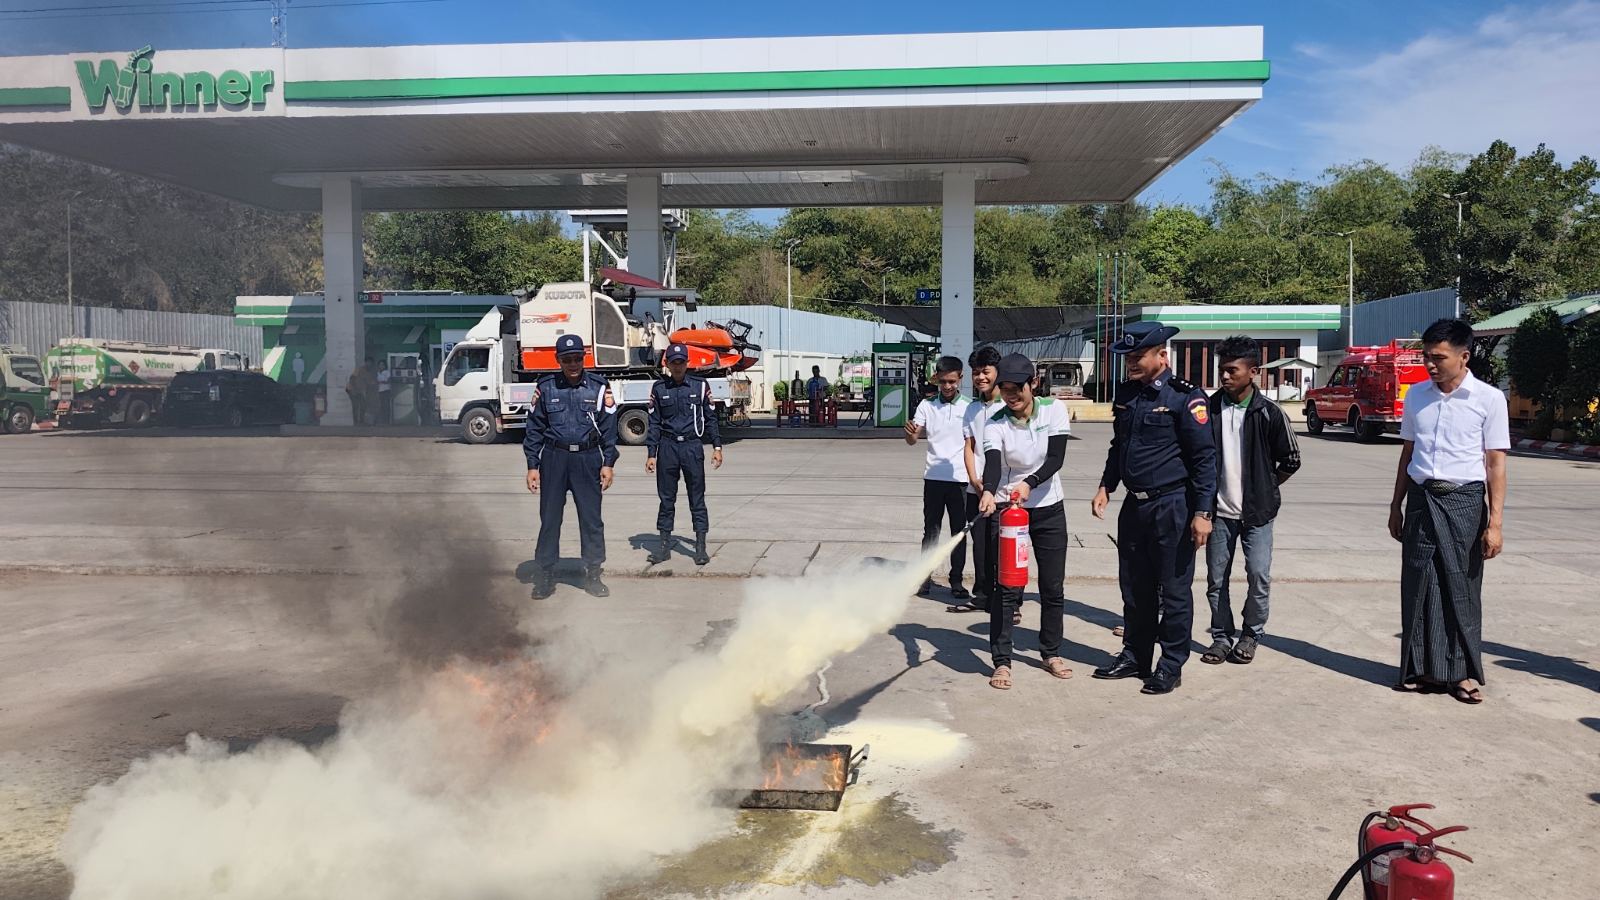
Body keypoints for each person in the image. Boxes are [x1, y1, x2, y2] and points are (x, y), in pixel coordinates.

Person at [1091, 321, 1217, 696]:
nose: (1131, 363)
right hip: (1135, 506)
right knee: (1135, 588)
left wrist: (1203, 513)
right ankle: (1135, 656)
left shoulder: (1186, 397)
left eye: (1138, 356)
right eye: (1128, 357)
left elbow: (1204, 459)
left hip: (1173, 506)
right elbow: (1119, 445)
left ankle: (1170, 665)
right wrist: (1106, 485)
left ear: (1162, 355)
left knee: (1174, 592)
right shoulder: (1128, 393)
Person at [1388, 318, 1508, 705]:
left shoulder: (1489, 399)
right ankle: (1420, 669)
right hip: (1421, 499)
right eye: (1426, 356)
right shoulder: (1416, 396)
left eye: (1438, 357)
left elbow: (1495, 464)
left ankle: (1462, 674)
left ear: (1464, 357)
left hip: (1464, 502)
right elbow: (1408, 453)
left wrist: (1495, 523)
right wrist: (1395, 506)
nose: (1430, 364)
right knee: (1419, 584)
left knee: (1461, 586)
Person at [1201, 336, 1302, 667]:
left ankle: (1251, 635)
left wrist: (1265, 487)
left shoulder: (1269, 413)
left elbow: (1291, 460)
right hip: (1218, 514)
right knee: (1217, 580)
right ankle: (1221, 637)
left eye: (1232, 370)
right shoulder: (1209, 410)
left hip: (1258, 515)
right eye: (1222, 370)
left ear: (1253, 371)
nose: (1225, 376)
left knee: (1258, 575)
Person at [977, 352, 1072, 690]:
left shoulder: (1053, 410)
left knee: (1052, 586)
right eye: (1004, 389)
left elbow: (1056, 458)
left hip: (1048, 507)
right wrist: (989, 492)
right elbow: (992, 463)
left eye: (1017, 388)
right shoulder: (995, 422)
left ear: (1033, 383)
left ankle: (1051, 652)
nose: (1011, 395)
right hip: (1009, 511)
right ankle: (1002, 661)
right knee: (1006, 587)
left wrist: (1030, 483)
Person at [524, 334, 619, 600]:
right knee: (550, 518)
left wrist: (608, 463)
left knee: (591, 519)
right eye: (567, 359)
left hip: (587, 459)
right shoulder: (546, 387)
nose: (573, 364)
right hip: (554, 459)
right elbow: (534, 429)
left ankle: (593, 573)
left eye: (577, 358)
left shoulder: (598, 387)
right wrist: (532, 465)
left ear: (584, 358)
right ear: (558, 360)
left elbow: (609, 429)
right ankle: (546, 574)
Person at [645, 342, 724, 567]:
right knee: (666, 499)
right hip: (668, 447)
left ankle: (700, 547)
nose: (678, 366)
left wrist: (717, 447)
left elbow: (710, 418)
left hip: (692, 447)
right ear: (667, 364)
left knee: (697, 498)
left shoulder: (700, 386)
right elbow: (654, 423)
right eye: (674, 362)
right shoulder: (659, 388)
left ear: (687, 363)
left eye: (681, 362)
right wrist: (651, 453)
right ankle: (663, 547)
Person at [905, 356, 972, 599]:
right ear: (936, 379)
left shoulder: (970, 407)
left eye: (952, 381)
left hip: (961, 480)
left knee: (959, 532)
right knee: (931, 531)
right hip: (933, 477)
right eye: (943, 382)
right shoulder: (927, 405)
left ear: (960, 378)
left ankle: (957, 580)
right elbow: (913, 439)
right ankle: (924, 578)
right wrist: (910, 434)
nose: (947, 386)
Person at [951, 345, 1005, 614]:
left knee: (1003, 548)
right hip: (977, 490)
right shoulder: (972, 409)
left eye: (986, 372)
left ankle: (1010, 602)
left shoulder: (1009, 405)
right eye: (976, 373)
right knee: (981, 546)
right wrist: (974, 480)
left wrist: (993, 486)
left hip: (1004, 492)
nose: (981, 377)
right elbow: (969, 446)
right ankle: (982, 595)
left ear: (997, 372)